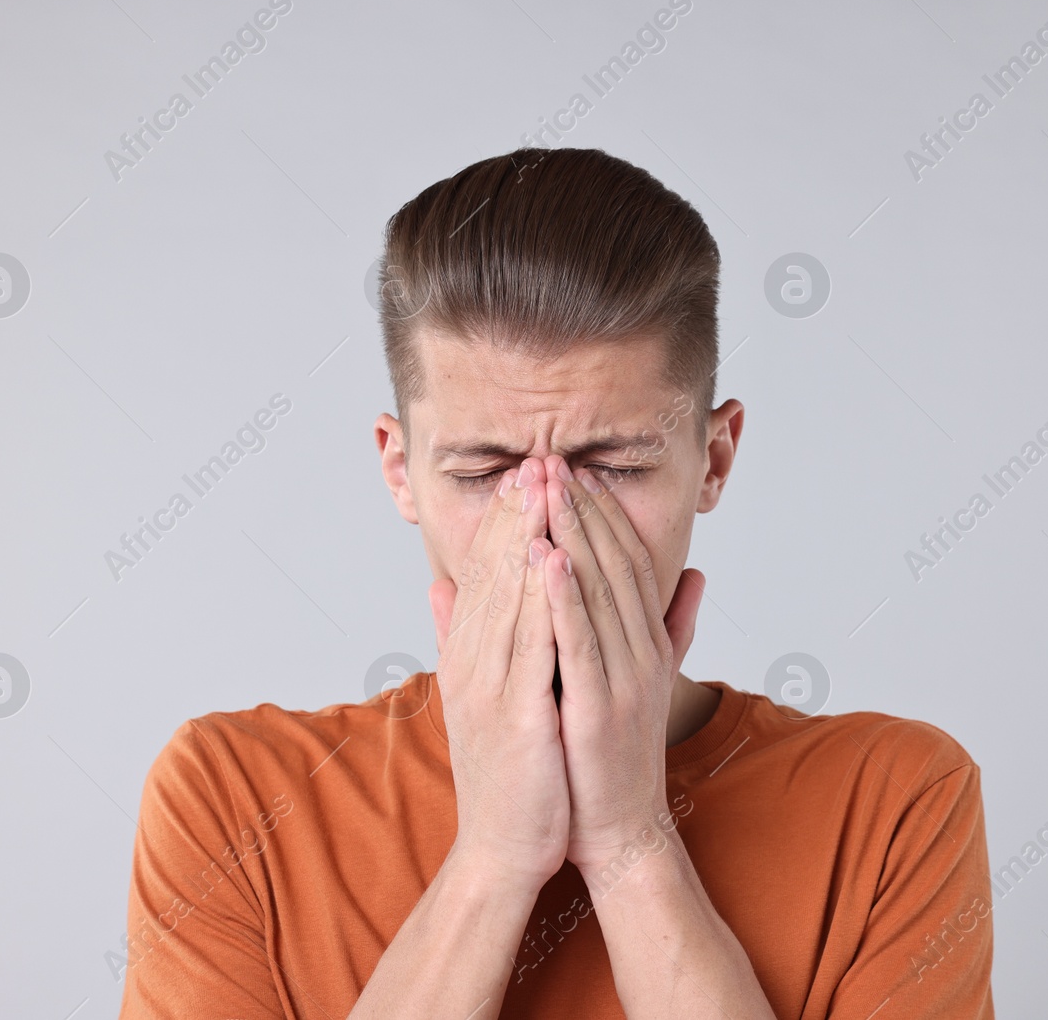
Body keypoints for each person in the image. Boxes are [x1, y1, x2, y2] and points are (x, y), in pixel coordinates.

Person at [116, 147, 996, 1019]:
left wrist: (631, 839)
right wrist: (493, 856)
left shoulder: (893, 802)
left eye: (612, 465)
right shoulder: (232, 801)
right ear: (400, 471)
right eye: (483, 469)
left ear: (713, 460)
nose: (547, 531)